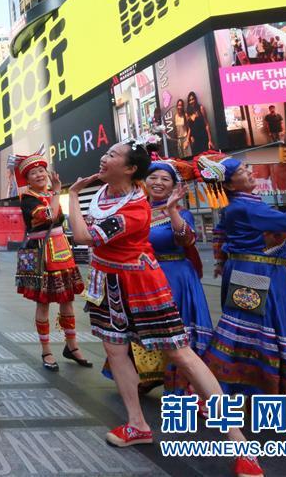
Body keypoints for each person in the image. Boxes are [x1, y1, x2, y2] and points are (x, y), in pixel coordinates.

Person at [67, 141, 262, 477]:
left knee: (181, 354)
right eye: (107, 152)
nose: (104, 157)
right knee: (115, 351)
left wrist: (72, 195)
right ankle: (137, 424)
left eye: (112, 155)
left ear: (130, 169)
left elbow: (84, 237)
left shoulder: (135, 207)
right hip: (107, 282)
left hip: (141, 284)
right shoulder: (105, 194)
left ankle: (240, 443)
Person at [199, 153, 286, 426]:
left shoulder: (240, 205)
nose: (251, 171)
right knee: (258, 333)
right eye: (243, 170)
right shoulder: (246, 207)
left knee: (255, 333)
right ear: (229, 185)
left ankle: (251, 398)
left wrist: (221, 261)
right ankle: (242, 397)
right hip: (258, 275)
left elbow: (220, 233)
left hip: (255, 273)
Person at [104, 158, 214, 395]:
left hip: (175, 277)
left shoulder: (182, 212)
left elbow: (186, 240)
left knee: (175, 336)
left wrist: (172, 210)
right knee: (142, 328)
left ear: (174, 186)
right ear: (145, 181)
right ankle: (149, 375)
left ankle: (184, 387)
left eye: (165, 179)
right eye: (153, 177)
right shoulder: (137, 209)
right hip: (142, 277)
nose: (158, 182)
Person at [11, 149, 90, 372]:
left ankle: (72, 345)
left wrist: (54, 193)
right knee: (43, 302)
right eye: (33, 173)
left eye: (41, 170)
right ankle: (46, 350)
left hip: (62, 250)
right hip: (42, 254)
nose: (39, 175)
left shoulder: (49, 195)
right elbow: (50, 216)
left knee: (67, 300)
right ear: (27, 179)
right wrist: (56, 192)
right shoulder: (28, 199)